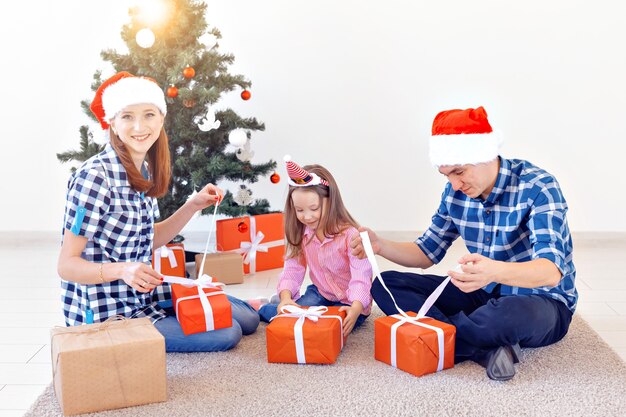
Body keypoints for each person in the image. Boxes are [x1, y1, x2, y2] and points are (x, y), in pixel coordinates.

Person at [350, 106, 577, 381]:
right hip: (483, 294)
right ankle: (483, 349)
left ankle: (434, 337)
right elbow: (426, 252)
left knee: (503, 316)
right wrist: (381, 246)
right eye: (447, 176)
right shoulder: (455, 193)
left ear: (484, 156)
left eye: (459, 172)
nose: (455, 185)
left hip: (541, 301)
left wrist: (493, 271)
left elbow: (550, 271)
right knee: (385, 285)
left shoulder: (539, 187)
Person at [57, 71, 260, 352]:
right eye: (127, 116)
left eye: (149, 115)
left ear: (161, 118)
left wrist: (193, 205)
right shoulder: (94, 178)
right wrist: (124, 270)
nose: (139, 126)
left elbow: (145, 238)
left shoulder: (143, 168)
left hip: (146, 294)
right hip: (111, 312)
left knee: (248, 319)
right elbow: (66, 265)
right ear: (112, 123)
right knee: (228, 333)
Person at [258, 157, 373, 337]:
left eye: (314, 208)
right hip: (320, 294)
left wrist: (357, 307)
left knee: (330, 329)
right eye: (299, 210)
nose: (307, 217)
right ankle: (265, 305)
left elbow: (362, 275)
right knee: (289, 317)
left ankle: (277, 304)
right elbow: (293, 270)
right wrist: (286, 298)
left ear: (330, 201)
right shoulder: (301, 233)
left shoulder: (350, 235)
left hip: (351, 302)